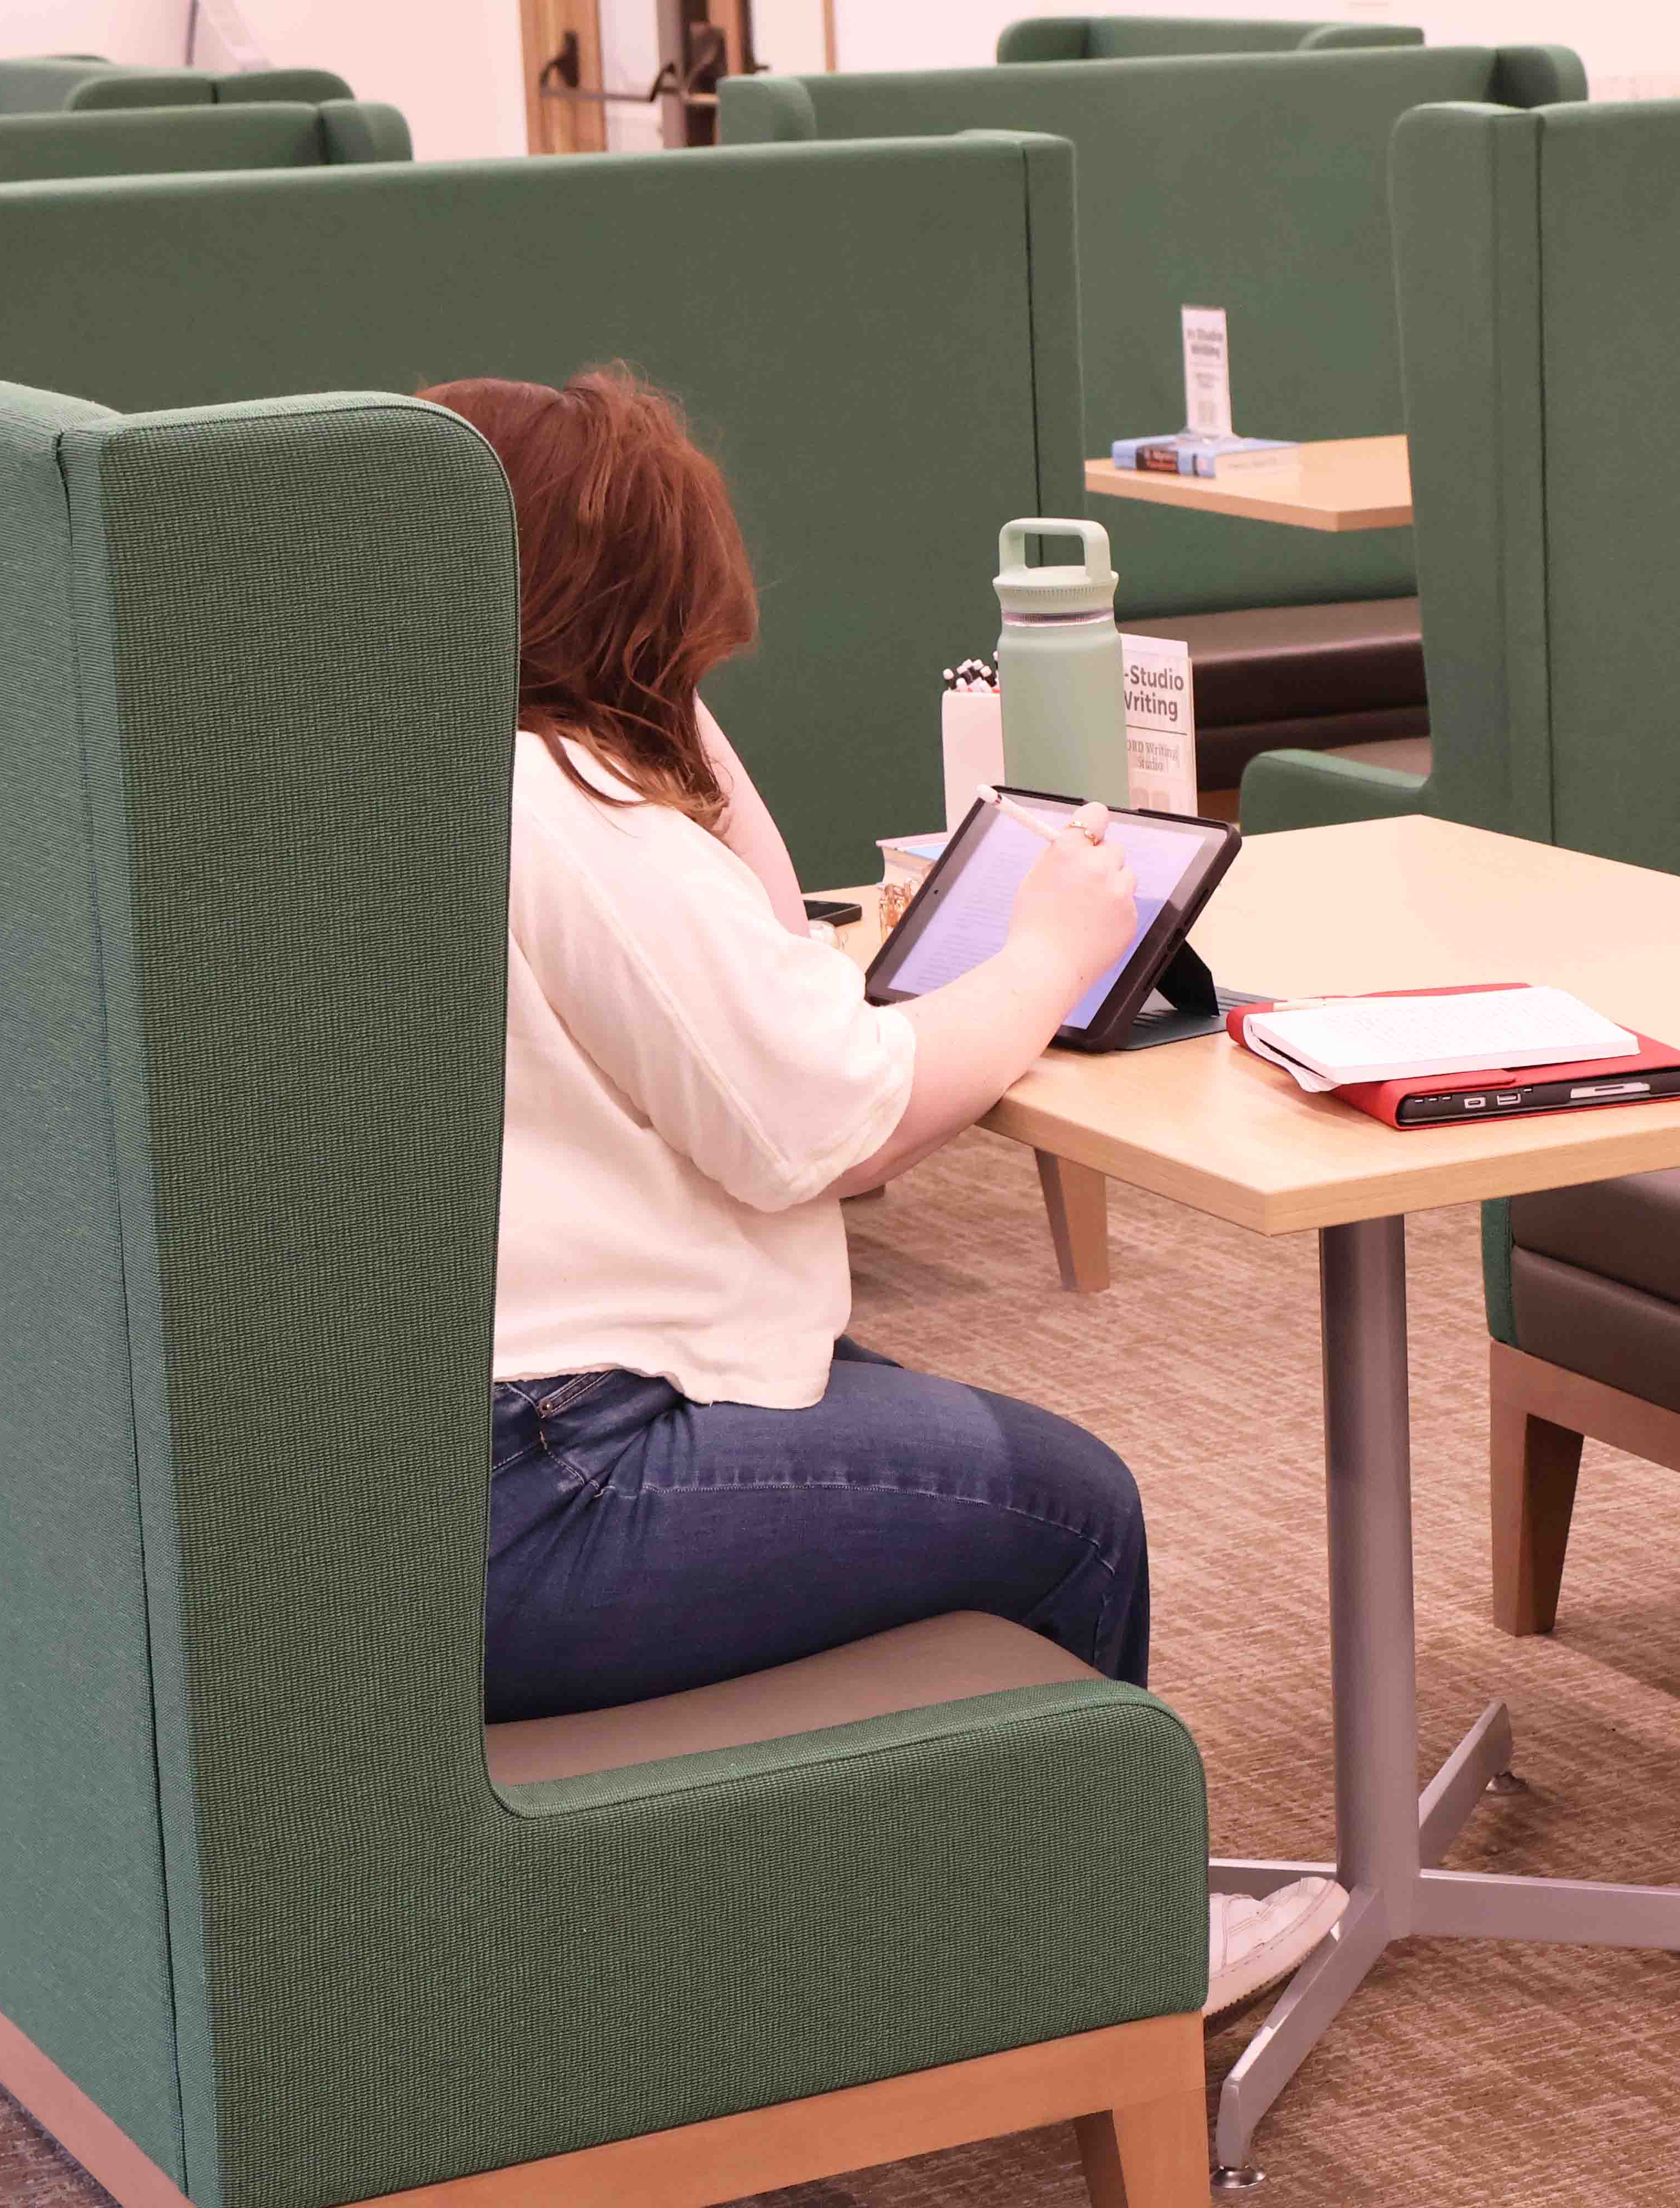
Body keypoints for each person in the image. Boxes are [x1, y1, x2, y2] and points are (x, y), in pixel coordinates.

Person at [427, 365, 1339, 2010]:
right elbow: (832, 1127)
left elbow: (760, 966)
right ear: (637, 609)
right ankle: (1100, 1968)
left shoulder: (402, 769)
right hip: (546, 1490)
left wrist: (665, 718)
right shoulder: (568, 806)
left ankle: (950, 1924)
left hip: (423, 1471)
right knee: (1072, 1505)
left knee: (899, 1414)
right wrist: (1052, 948)